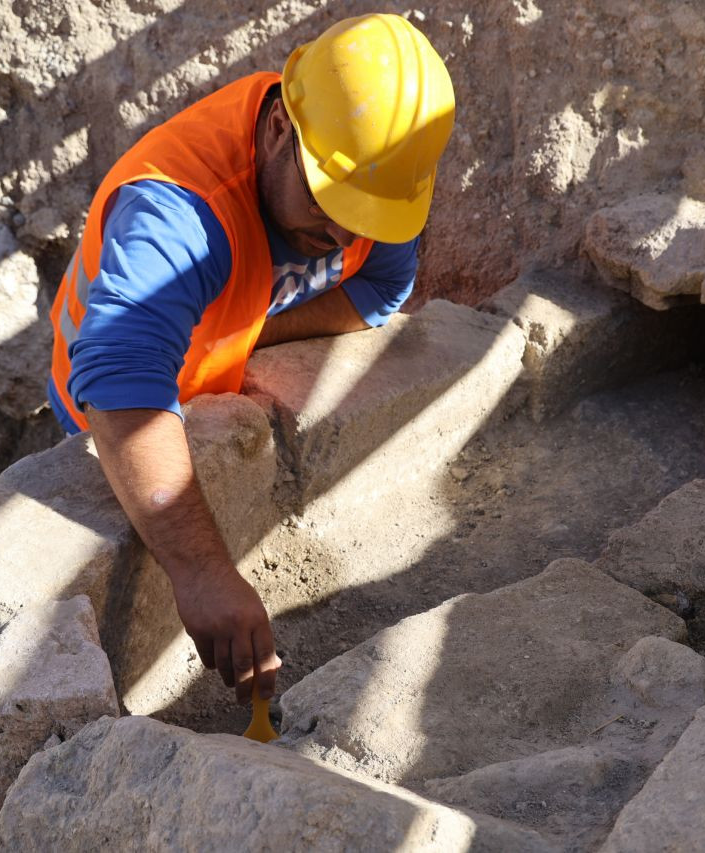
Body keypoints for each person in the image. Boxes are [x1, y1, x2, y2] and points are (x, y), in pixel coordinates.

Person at [46, 13, 455, 707]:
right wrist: (202, 573)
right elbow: (119, 386)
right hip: (104, 417)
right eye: (332, 205)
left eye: (368, 215)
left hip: (197, 380)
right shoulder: (180, 212)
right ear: (277, 131)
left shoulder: (372, 176)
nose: (344, 234)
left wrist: (252, 331)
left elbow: (382, 288)